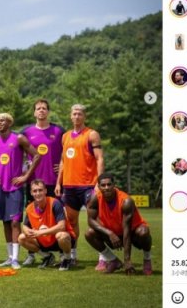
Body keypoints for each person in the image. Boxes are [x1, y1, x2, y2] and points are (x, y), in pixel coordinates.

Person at [0, 113, 40, 270]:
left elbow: (37, 155)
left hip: (15, 188)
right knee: (5, 222)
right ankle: (10, 257)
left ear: (9, 123)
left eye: (2, 120)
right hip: (1, 188)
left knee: (15, 222)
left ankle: (16, 259)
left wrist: (25, 176)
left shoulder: (19, 138)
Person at [55, 103, 104, 267]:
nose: (76, 116)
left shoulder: (92, 134)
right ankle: (73, 255)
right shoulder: (65, 136)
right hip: (69, 186)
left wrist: (99, 182)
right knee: (71, 222)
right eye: (74, 114)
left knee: (94, 221)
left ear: (84, 116)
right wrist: (59, 183)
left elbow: (99, 159)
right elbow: (62, 161)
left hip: (89, 185)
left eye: (79, 114)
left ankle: (103, 257)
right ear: (70, 116)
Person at [19, 99, 65, 266]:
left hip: (54, 182)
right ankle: (33, 254)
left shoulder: (59, 131)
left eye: (44, 108)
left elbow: (68, 151)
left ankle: (64, 253)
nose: (41, 111)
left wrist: (63, 167)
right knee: (32, 219)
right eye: (38, 108)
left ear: (48, 111)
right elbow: (17, 153)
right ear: (34, 112)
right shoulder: (26, 132)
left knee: (57, 217)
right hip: (34, 183)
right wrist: (23, 168)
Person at [85, 173, 153, 275]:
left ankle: (147, 259)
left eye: (109, 184)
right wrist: (110, 233)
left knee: (144, 231)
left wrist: (127, 260)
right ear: (98, 187)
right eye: (103, 185)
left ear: (114, 185)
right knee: (89, 233)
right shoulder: (95, 199)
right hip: (113, 233)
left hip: (132, 233)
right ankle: (113, 261)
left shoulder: (126, 201)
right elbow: (90, 221)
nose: (106, 188)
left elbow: (127, 230)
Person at [19, 179, 75, 271]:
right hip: (43, 241)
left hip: (59, 240)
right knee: (21, 238)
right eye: (35, 191)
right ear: (31, 193)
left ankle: (67, 259)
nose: (38, 193)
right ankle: (47, 257)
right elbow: (24, 226)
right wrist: (28, 231)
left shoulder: (55, 203)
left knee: (61, 235)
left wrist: (40, 233)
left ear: (45, 191)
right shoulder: (29, 208)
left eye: (40, 190)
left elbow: (62, 226)